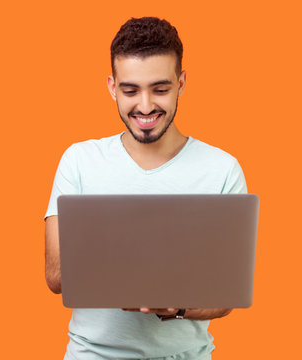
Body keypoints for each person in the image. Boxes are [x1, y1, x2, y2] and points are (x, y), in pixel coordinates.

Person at [45, 17, 247, 360]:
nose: (145, 105)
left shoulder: (222, 169)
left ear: (181, 83)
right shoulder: (78, 160)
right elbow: (57, 275)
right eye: (129, 90)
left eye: (160, 88)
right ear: (112, 87)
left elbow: (226, 297)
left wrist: (177, 305)